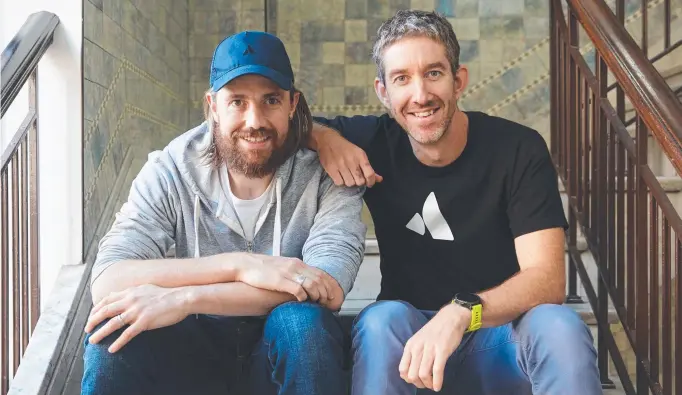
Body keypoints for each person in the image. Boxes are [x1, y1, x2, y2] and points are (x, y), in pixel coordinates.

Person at [310, 9, 603, 395]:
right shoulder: (374, 140)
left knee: (558, 325)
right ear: (383, 91)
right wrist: (322, 136)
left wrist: (463, 312)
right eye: (402, 79)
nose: (420, 95)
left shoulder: (517, 148)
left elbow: (546, 279)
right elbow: (283, 120)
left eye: (433, 73)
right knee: (382, 319)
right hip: (410, 352)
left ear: (458, 80)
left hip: (498, 337)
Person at [81, 31, 366, 395]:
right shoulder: (171, 168)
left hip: (278, 349)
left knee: (302, 325)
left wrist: (186, 298)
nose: (254, 120)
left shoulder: (327, 174)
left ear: (292, 104)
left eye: (271, 100)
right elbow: (107, 279)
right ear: (213, 106)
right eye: (237, 102)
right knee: (116, 326)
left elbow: (328, 288)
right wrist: (240, 264)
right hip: (193, 353)